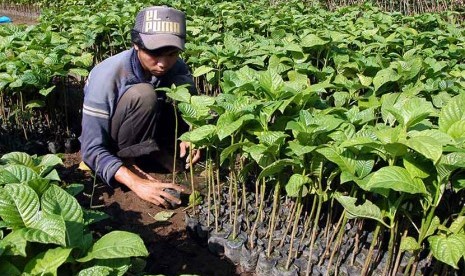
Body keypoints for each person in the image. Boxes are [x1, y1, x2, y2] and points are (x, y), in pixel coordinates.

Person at [80, 6, 200, 208]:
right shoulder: (107, 76)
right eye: (155, 53)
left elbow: (194, 106)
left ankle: (151, 150)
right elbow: (90, 149)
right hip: (111, 138)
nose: (163, 63)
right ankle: (128, 161)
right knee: (143, 94)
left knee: (178, 88)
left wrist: (193, 135)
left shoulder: (176, 66)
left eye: (172, 53)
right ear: (136, 45)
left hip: (146, 125)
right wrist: (136, 183)